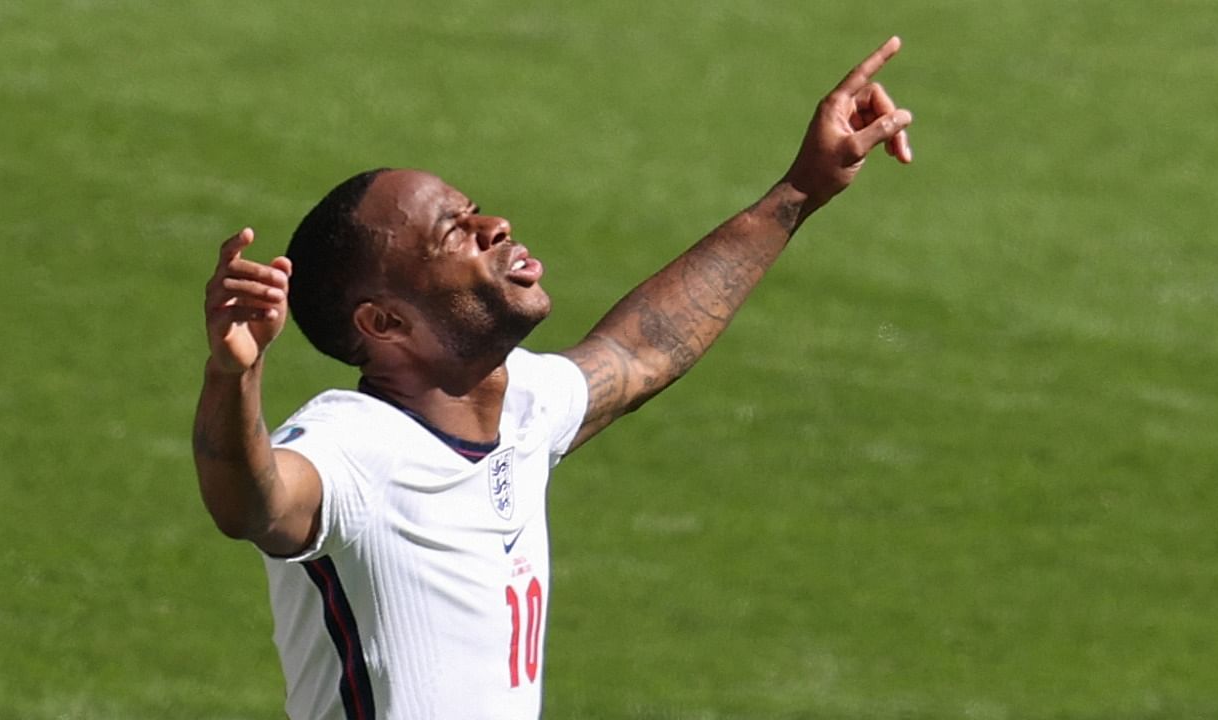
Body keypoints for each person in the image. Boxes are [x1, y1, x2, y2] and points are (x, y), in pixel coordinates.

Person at [194, 36, 913, 720]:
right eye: (455, 232)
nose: (497, 225)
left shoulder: (525, 405)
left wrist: (801, 189)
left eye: (475, 211)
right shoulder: (353, 445)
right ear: (385, 324)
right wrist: (235, 376)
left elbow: (642, 352)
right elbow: (254, 506)